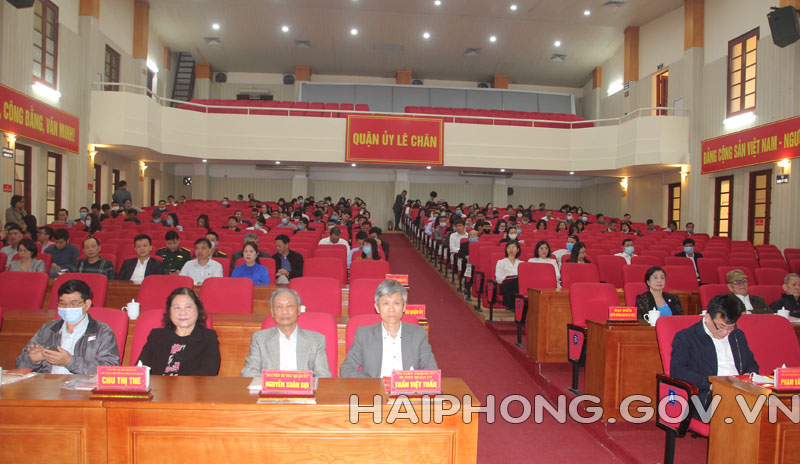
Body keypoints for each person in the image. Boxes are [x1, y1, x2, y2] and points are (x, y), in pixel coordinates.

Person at [670, 294, 758, 413]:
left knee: (773, 404)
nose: (725, 332)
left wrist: (747, 376)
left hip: (740, 392)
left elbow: (751, 364)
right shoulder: (687, 337)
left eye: (731, 327)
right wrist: (710, 384)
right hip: (708, 396)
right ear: (708, 317)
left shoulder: (737, 336)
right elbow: (678, 370)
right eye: (721, 326)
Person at [16, 279, 119, 373]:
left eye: (73, 303)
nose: (67, 308)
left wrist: (69, 361)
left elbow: (109, 371)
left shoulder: (102, 331)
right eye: (62, 304)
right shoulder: (48, 329)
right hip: (48, 384)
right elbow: (19, 365)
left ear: (87, 304)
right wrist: (33, 360)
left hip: (82, 386)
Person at [340, 280, 437, 378]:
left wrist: (411, 381)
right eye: (386, 304)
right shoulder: (364, 335)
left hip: (406, 387)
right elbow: (346, 369)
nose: (391, 309)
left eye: (396, 303)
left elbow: (431, 369)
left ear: (404, 307)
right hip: (374, 387)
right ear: (377, 308)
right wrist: (372, 384)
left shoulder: (418, 334)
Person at [241, 288, 331, 378]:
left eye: (290, 306)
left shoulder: (316, 340)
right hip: (272, 386)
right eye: (279, 307)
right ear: (272, 312)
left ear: (299, 310)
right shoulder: (259, 339)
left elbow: (324, 376)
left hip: (303, 387)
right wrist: (279, 382)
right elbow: (248, 372)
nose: (284, 312)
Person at [137, 287, 220, 376]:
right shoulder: (156, 336)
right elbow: (140, 370)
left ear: (198, 309)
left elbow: (208, 373)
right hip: (157, 385)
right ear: (169, 311)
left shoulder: (208, 337)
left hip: (193, 385)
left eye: (188, 307)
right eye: (177, 308)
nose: (182, 312)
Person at [495, 241, 521, 309]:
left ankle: (513, 305)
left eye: (513, 247)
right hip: (505, 286)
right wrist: (507, 278)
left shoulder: (521, 263)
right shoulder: (501, 262)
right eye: (509, 247)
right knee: (516, 281)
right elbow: (498, 278)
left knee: (517, 282)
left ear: (518, 250)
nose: (511, 249)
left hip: (517, 287)